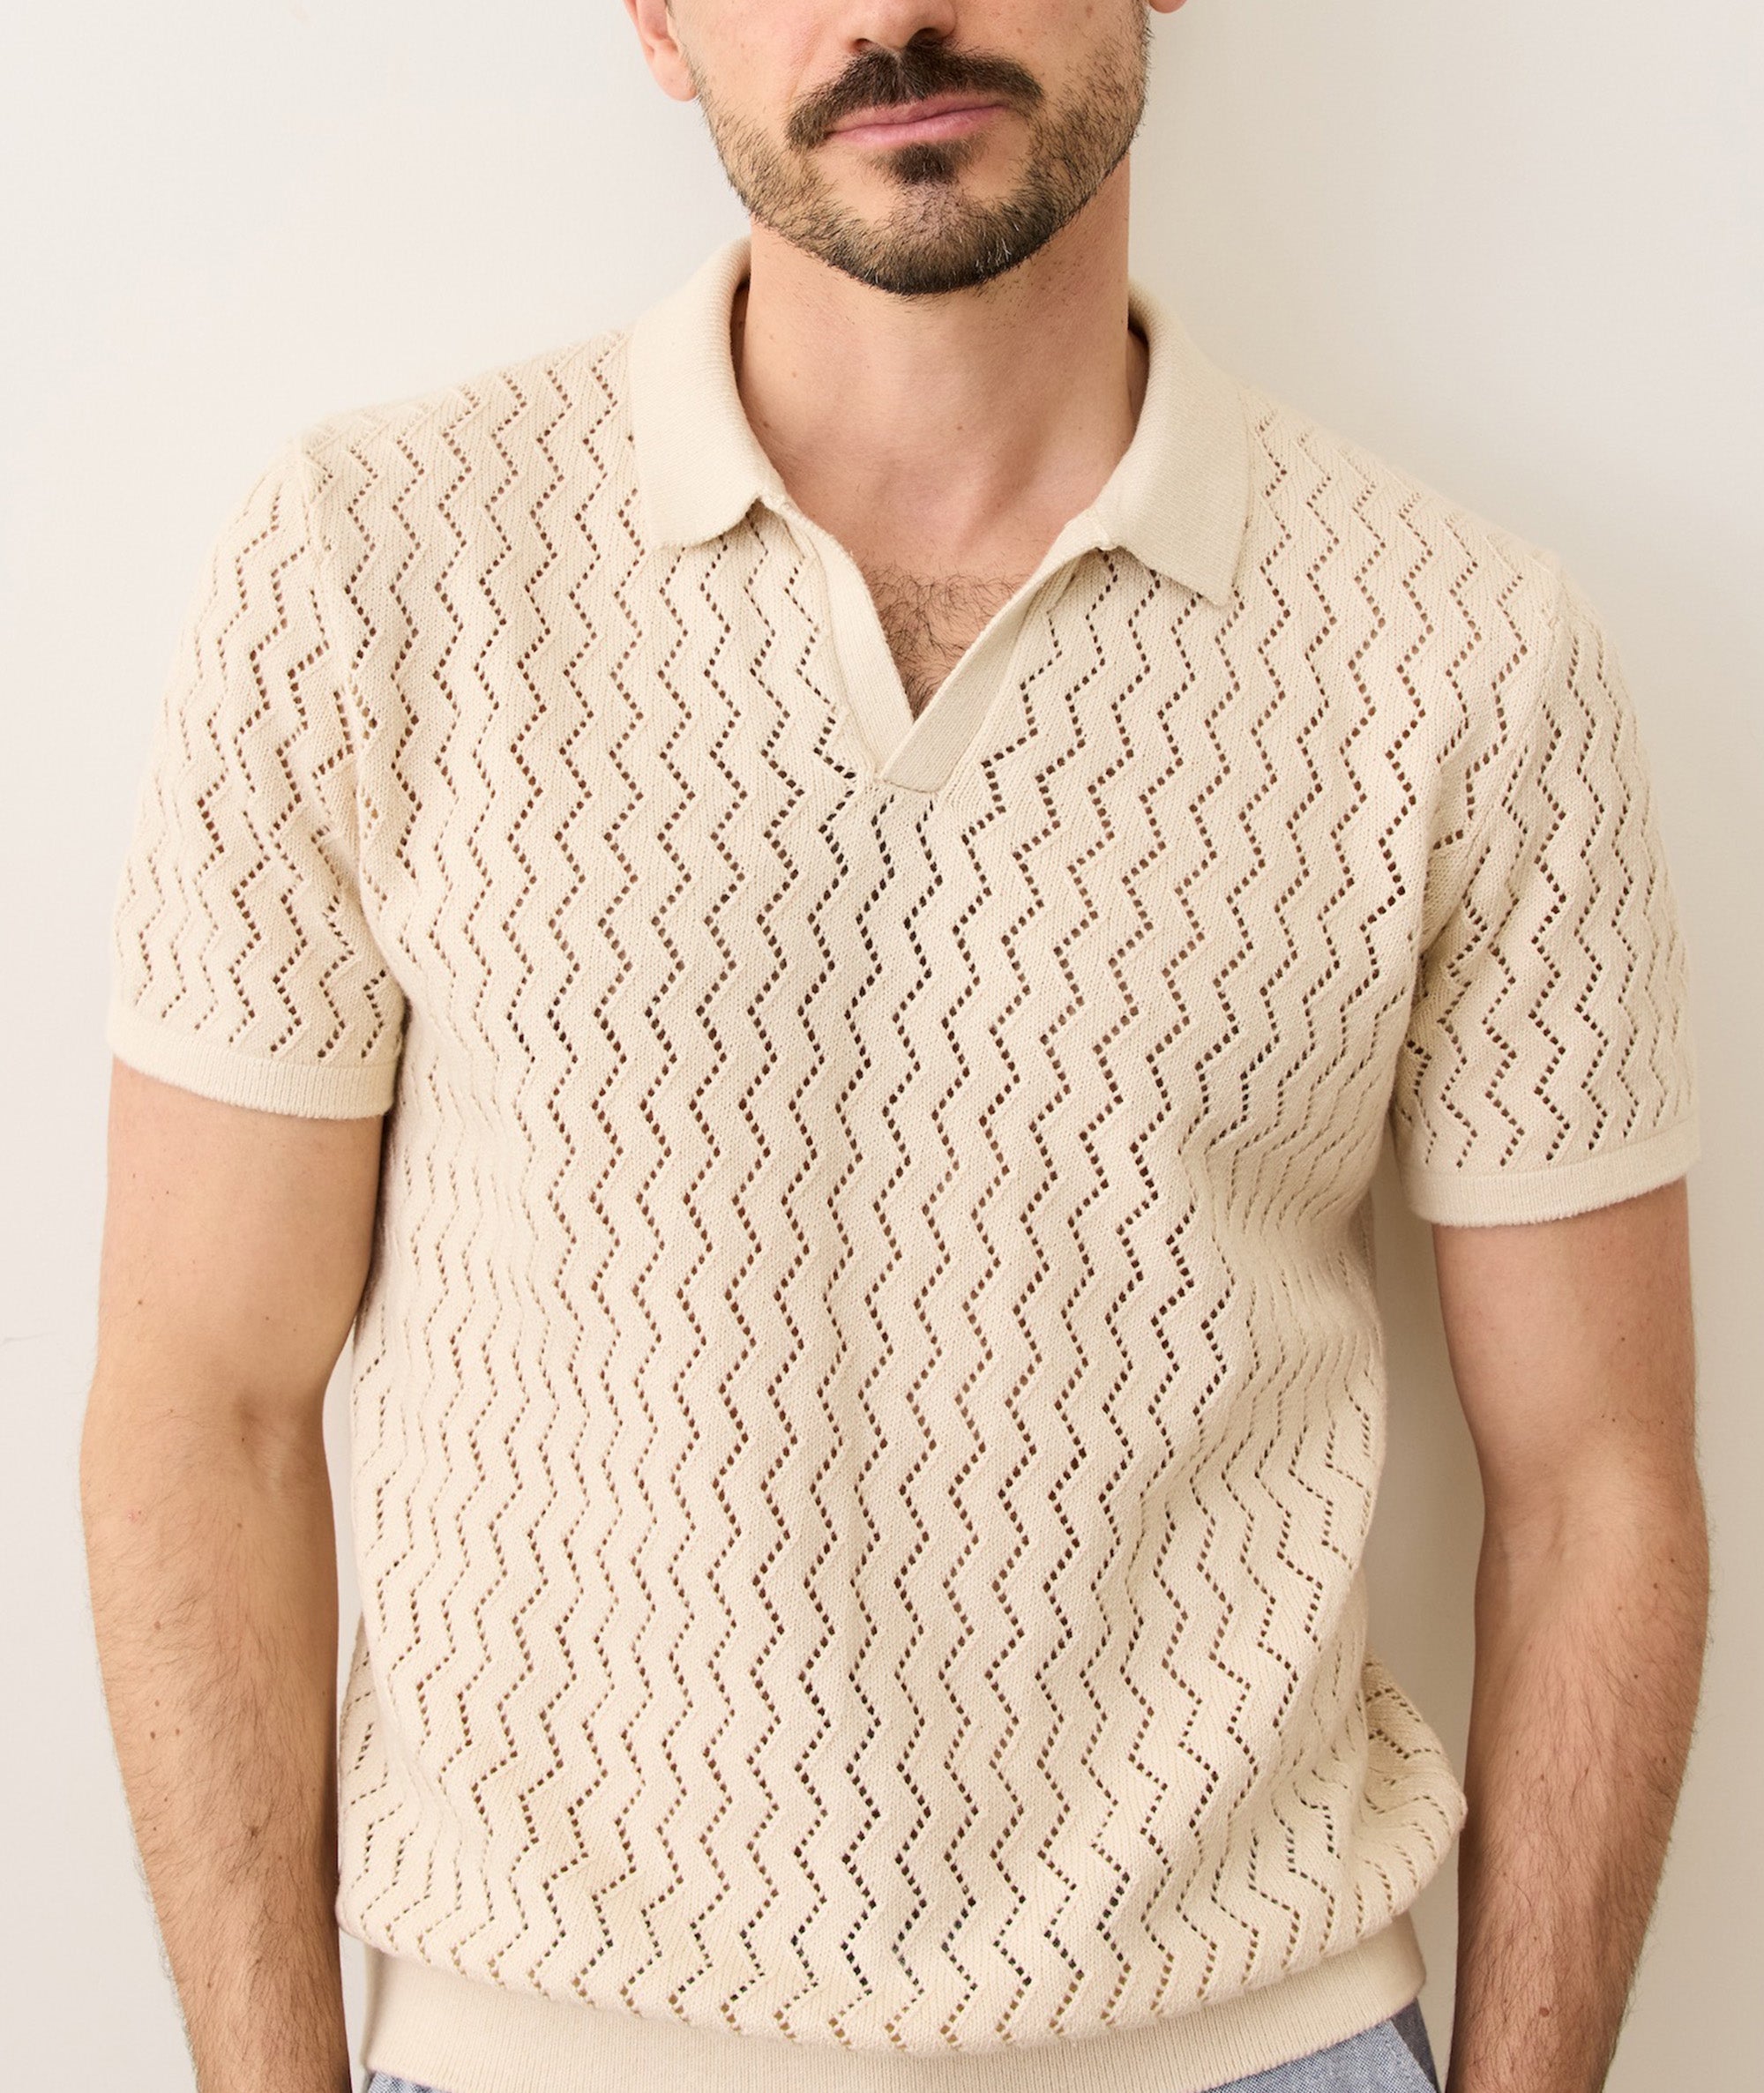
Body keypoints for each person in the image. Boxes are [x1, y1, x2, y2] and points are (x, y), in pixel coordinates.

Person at [80, 4, 1709, 2091]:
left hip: (1258, 2039)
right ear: (654, 18)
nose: (889, 13)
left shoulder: (1463, 655)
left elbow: (1596, 1487)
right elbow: (199, 1406)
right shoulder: (370, 572)